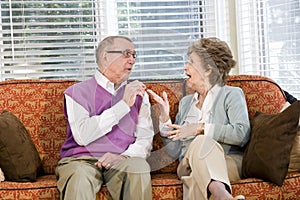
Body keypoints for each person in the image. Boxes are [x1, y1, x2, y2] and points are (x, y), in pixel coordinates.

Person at [148, 37, 250, 200]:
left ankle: (221, 195)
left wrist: (201, 128)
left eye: (191, 62)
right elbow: (174, 151)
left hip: (226, 161)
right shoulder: (186, 103)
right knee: (199, 148)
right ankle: (223, 196)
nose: (185, 67)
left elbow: (242, 134)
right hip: (186, 165)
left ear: (208, 69)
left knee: (196, 174)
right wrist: (166, 119)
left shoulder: (231, 94)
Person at [55, 36, 154, 200]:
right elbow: (83, 136)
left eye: (134, 55)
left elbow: (145, 138)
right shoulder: (76, 92)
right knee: (79, 177)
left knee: (138, 167)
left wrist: (124, 156)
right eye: (126, 54)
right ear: (105, 57)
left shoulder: (138, 93)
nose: (132, 61)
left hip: (122, 159)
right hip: (80, 160)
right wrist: (122, 106)